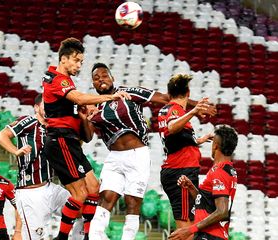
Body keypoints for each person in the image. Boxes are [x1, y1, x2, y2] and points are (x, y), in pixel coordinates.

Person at [42, 37, 131, 240]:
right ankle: (62, 238)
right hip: (60, 140)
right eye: (76, 60)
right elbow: (80, 98)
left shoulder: (66, 81)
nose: (79, 65)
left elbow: (87, 135)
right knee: (80, 194)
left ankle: (88, 235)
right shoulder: (56, 78)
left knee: (93, 188)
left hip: (70, 141)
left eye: (81, 61)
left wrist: (83, 115)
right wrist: (111, 96)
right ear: (63, 59)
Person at [86, 62, 178, 240]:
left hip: (137, 154)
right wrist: (86, 117)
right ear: (93, 85)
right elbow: (88, 136)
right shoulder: (94, 106)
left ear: (112, 78)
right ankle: (96, 236)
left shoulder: (129, 93)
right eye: (96, 79)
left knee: (132, 203)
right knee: (106, 197)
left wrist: (196, 106)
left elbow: (165, 99)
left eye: (104, 75)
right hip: (114, 157)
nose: (101, 80)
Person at [0, 93, 84, 240]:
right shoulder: (28, 122)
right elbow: (0, 136)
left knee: (82, 209)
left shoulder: (55, 128)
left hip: (51, 188)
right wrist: (15, 151)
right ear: (36, 107)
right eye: (46, 104)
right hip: (30, 192)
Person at [157, 74, 214, 232]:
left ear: (169, 94)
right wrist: (194, 111)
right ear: (188, 93)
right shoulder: (175, 111)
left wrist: (199, 140)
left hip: (178, 169)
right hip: (181, 173)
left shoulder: (166, 110)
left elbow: (174, 138)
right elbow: (172, 127)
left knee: (189, 225)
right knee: (186, 227)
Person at [169, 125, 238, 240]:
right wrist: (191, 188)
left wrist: (189, 230)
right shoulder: (228, 170)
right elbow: (207, 203)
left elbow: (222, 211)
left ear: (215, 145)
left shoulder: (219, 171)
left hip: (210, 235)